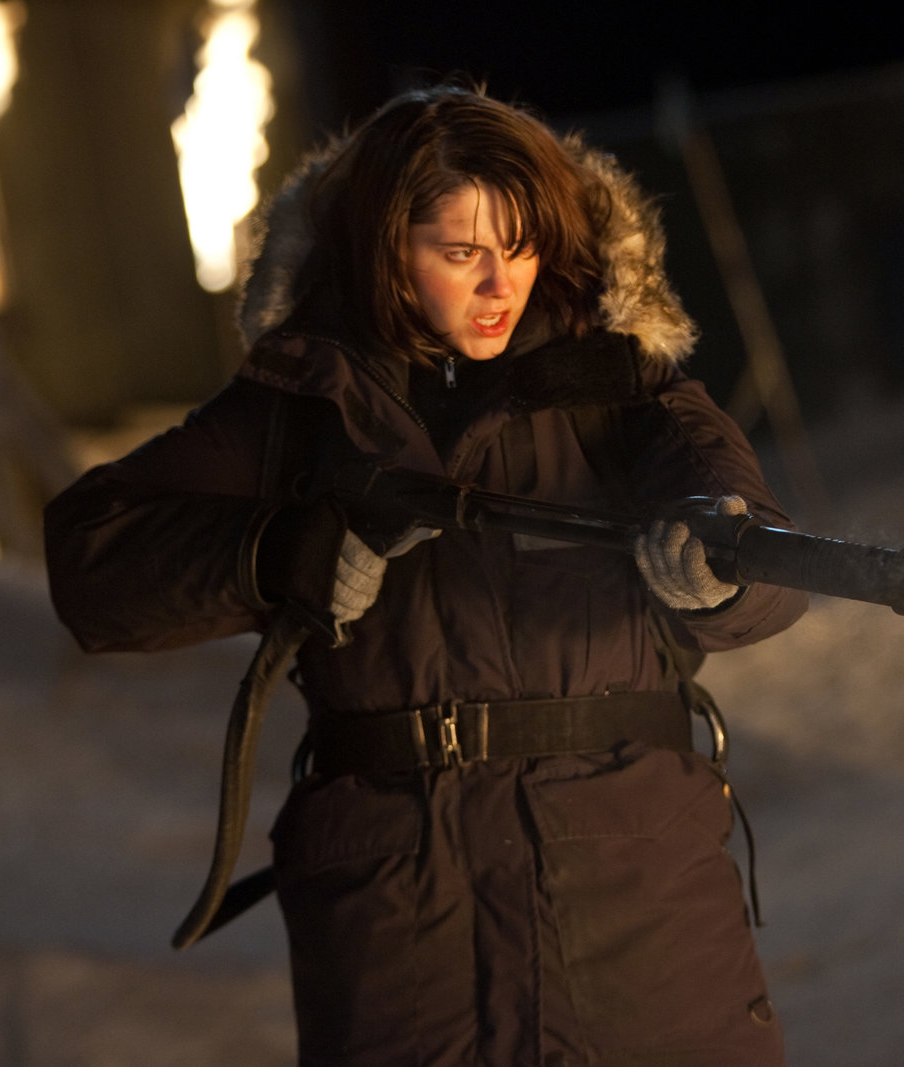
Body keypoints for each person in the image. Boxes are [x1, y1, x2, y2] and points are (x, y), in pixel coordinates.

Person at [44, 84, 807, 1066]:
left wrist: (723, 566)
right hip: (404, 923)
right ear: (385, 252)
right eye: (459, 253)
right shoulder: (300, 406)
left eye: (521, 249)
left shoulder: (621, 386)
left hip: (636, 903)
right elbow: (92, 562)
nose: (500, 285)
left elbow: (762, 550)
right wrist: (274, 553)